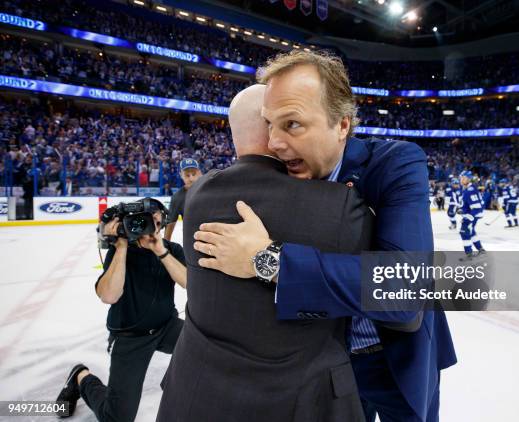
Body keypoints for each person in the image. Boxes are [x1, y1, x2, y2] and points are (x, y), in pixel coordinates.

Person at [193, 50, 456, 422]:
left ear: (342, 125)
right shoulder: (280, 176)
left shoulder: (395, 163)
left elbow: (403, 289)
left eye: (293, 125)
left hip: (398, 359)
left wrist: (267, 260)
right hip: (327, 369)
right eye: (270, 124)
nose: (275, 144)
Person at [157, 84, 373, 421]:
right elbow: (400, 285)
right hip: (294, 404)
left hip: (191, 395)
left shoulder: (198, 193)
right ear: (274, 128)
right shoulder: (336, 204)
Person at [55, 198, 187, 421]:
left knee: (205, 348)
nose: (149, 228)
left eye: (155, 222)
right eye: (143, 222)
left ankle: (180, 387)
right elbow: (109, 295)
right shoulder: (120, 254)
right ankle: (81, 377)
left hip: (167, 327)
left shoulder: (172, 250)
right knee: (117, 418)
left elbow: (189, 283)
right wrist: (122, 247)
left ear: (162, 224)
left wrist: (160, 251)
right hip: (130, 337)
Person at [163, 158, 202, 241]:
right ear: (181, 175)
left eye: (194, 174)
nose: (191, 179)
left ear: (199, 173)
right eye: (187, 175)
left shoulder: (211, 189)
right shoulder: (177, 198)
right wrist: (166, 246)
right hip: (192, 244)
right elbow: (170, 223)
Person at [459, 170, 486, 259]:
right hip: (471, 214)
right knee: (471, 231)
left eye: (463, 178)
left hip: (472, 215)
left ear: (469, 179)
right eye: (461, 178)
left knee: (464, 232)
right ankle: (480, 249)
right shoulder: (469, 189)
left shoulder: (470, 190)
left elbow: (476, 207)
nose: (461, 180)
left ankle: (469, 254)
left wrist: (468, 217)